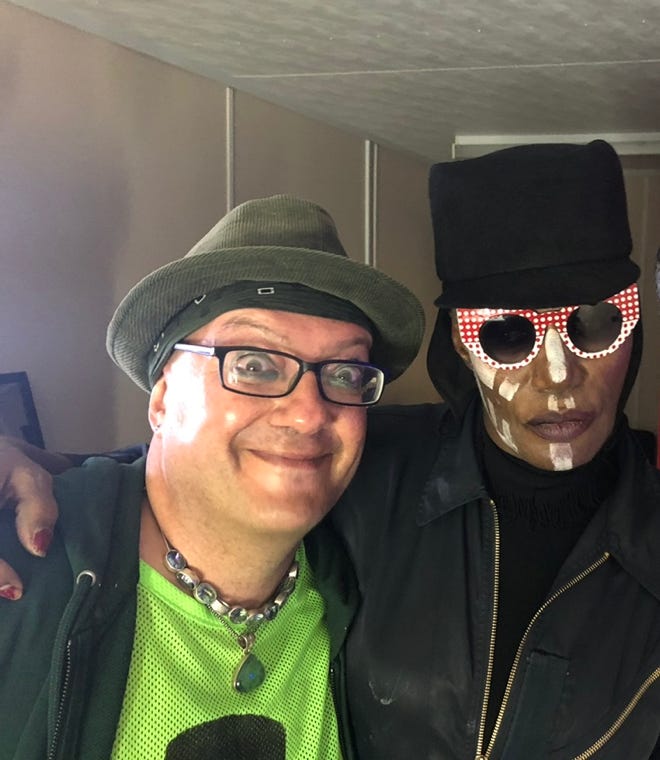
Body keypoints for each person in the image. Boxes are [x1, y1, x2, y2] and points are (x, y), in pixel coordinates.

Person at [2, 141, 660, 759]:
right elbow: (164, 474)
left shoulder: (335, 515)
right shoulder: (34, 587)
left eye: (596, 325)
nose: (309, 412)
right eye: (254, 364)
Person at [0, 193, 425, 759]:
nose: (309, 414)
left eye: (345, 374)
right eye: (254, 364)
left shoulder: (370, 573)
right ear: (162, 398)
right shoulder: (25, 572)